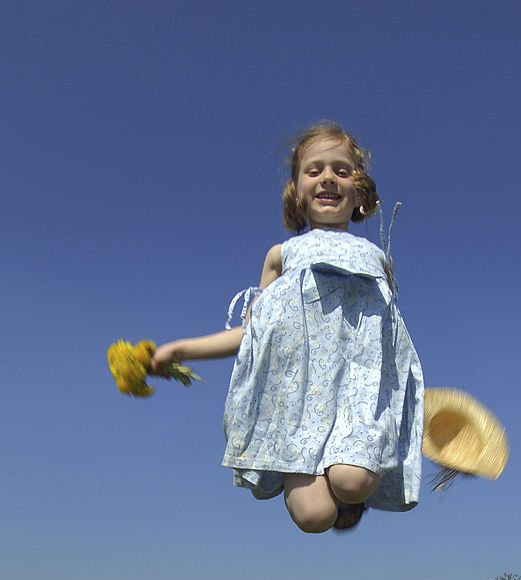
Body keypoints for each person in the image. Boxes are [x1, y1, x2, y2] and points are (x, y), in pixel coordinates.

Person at [151, 122, 424, 533]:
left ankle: (349, 484)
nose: (328, 177)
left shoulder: (376, 259)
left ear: (360, 195)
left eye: (342, 171)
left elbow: (389, 342)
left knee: (353, 482)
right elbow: (253, 336)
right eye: (314, 171)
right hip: (297, 403)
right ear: (296, 192)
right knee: (314, 518)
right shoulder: (282, 255)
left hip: (358, 397)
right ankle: (319, 477)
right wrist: (181, 350)